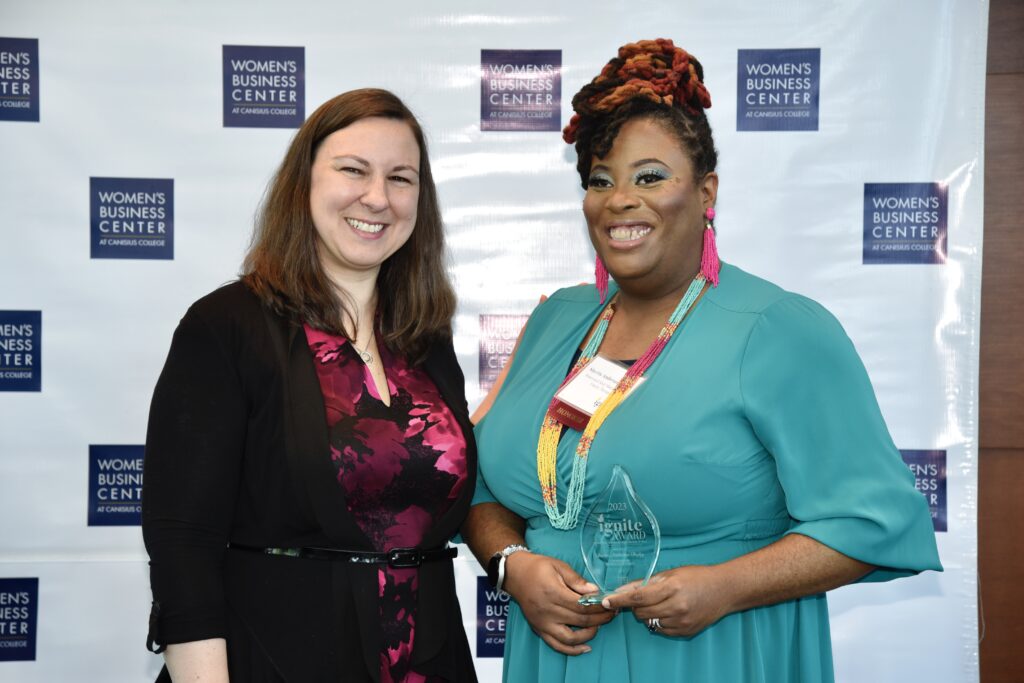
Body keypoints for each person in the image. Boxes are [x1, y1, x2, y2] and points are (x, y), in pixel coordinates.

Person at [462, 39, 941, 682]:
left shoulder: (776, 330)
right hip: (558, 658)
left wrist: (726, 586)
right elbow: (483, 487)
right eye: (600, 180)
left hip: (716, 654)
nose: (620, 200)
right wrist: (512, 565)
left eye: (650, 176)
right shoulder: (557, 320)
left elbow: (874, 521)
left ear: (707, 191)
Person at [142, 89, 478, 683]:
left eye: (401, 178)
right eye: (353, 170)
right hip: (273, 662)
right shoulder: (227, 326)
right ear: (305, 182)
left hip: (429, 662)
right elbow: (183, 546)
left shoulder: (425, 338)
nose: (377, 197)